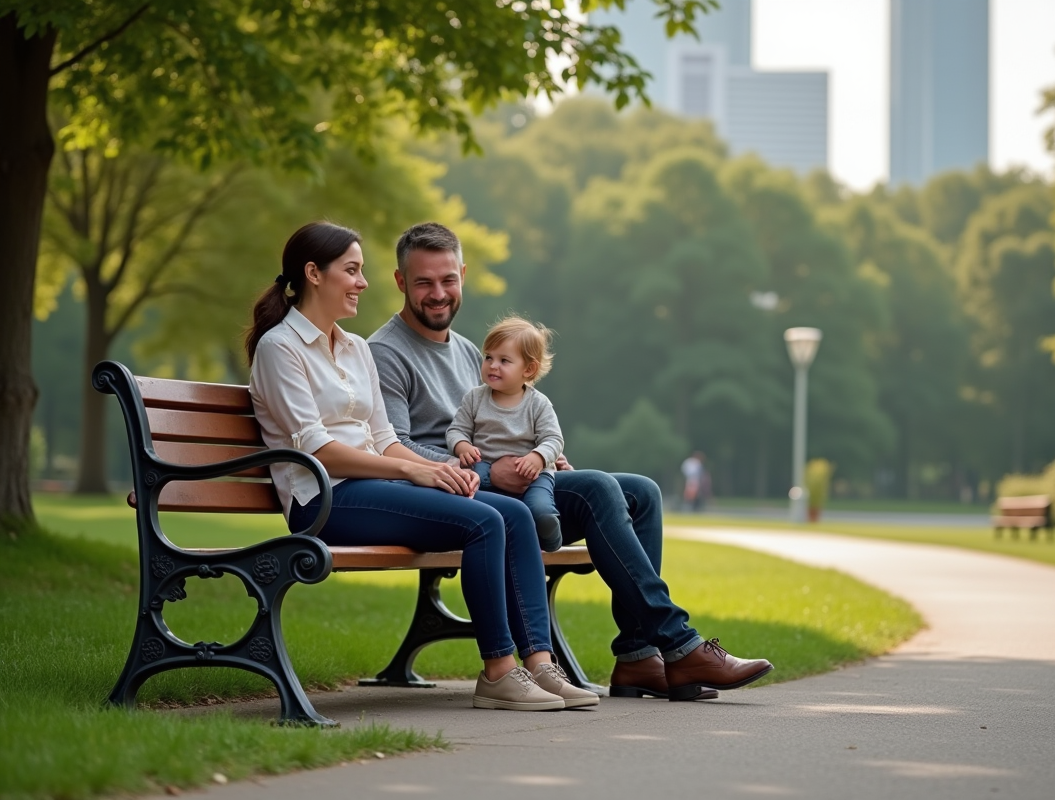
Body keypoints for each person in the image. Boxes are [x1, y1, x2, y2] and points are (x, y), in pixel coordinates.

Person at [368, 222, 774, 701]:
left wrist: (544, 454)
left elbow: (503, 418)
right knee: (598, 488)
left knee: (641, 492)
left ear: (463, 275)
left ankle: (639, 656)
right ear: (401, 282)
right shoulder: (385, 352)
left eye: (448, 279)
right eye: (424, 282)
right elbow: (393, 446)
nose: (438, 293)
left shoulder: (469, 351)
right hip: (457, 495)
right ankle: (680, 644)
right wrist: (484, 470)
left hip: (513, 482)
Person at [245, 221, 598, 711]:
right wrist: (414, 472)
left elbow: (385, 440)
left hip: (373, 488)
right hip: (323, 498)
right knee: (483, 522)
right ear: (314, 274)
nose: (363, 282)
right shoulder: (279, 347)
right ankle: (499, 671)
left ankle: (540, 664)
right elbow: (317, 449)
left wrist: (442, 469)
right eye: (352, 270)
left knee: (514, 514)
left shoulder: (354, 348)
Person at [447, 316, 565, 553]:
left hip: (533, 475)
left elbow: (553, 439)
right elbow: (456, 430)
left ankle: (550, 536)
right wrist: (462, 446)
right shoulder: (475, 398)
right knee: (470, 489)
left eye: (504, 360)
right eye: (488, 357)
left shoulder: (538, 404)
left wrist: (538, 457)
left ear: (528, 369)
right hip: (484, 466)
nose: (492, 365)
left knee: (540, 508)